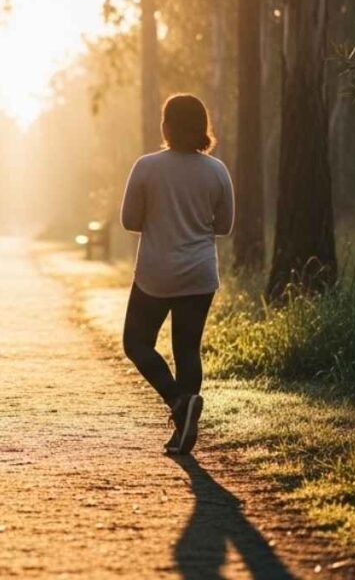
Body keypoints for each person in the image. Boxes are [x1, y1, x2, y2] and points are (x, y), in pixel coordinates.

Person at [120, 93, 235, 455]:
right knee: (187, 348)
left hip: (155, 273)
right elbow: (225, 226)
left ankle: (178, 403)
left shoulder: (146, 167)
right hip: (199, 274)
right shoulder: (217, 171)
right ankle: (185, 420)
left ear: (166, 127)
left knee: (136, 343)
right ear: (202, 128)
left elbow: (129, 220)